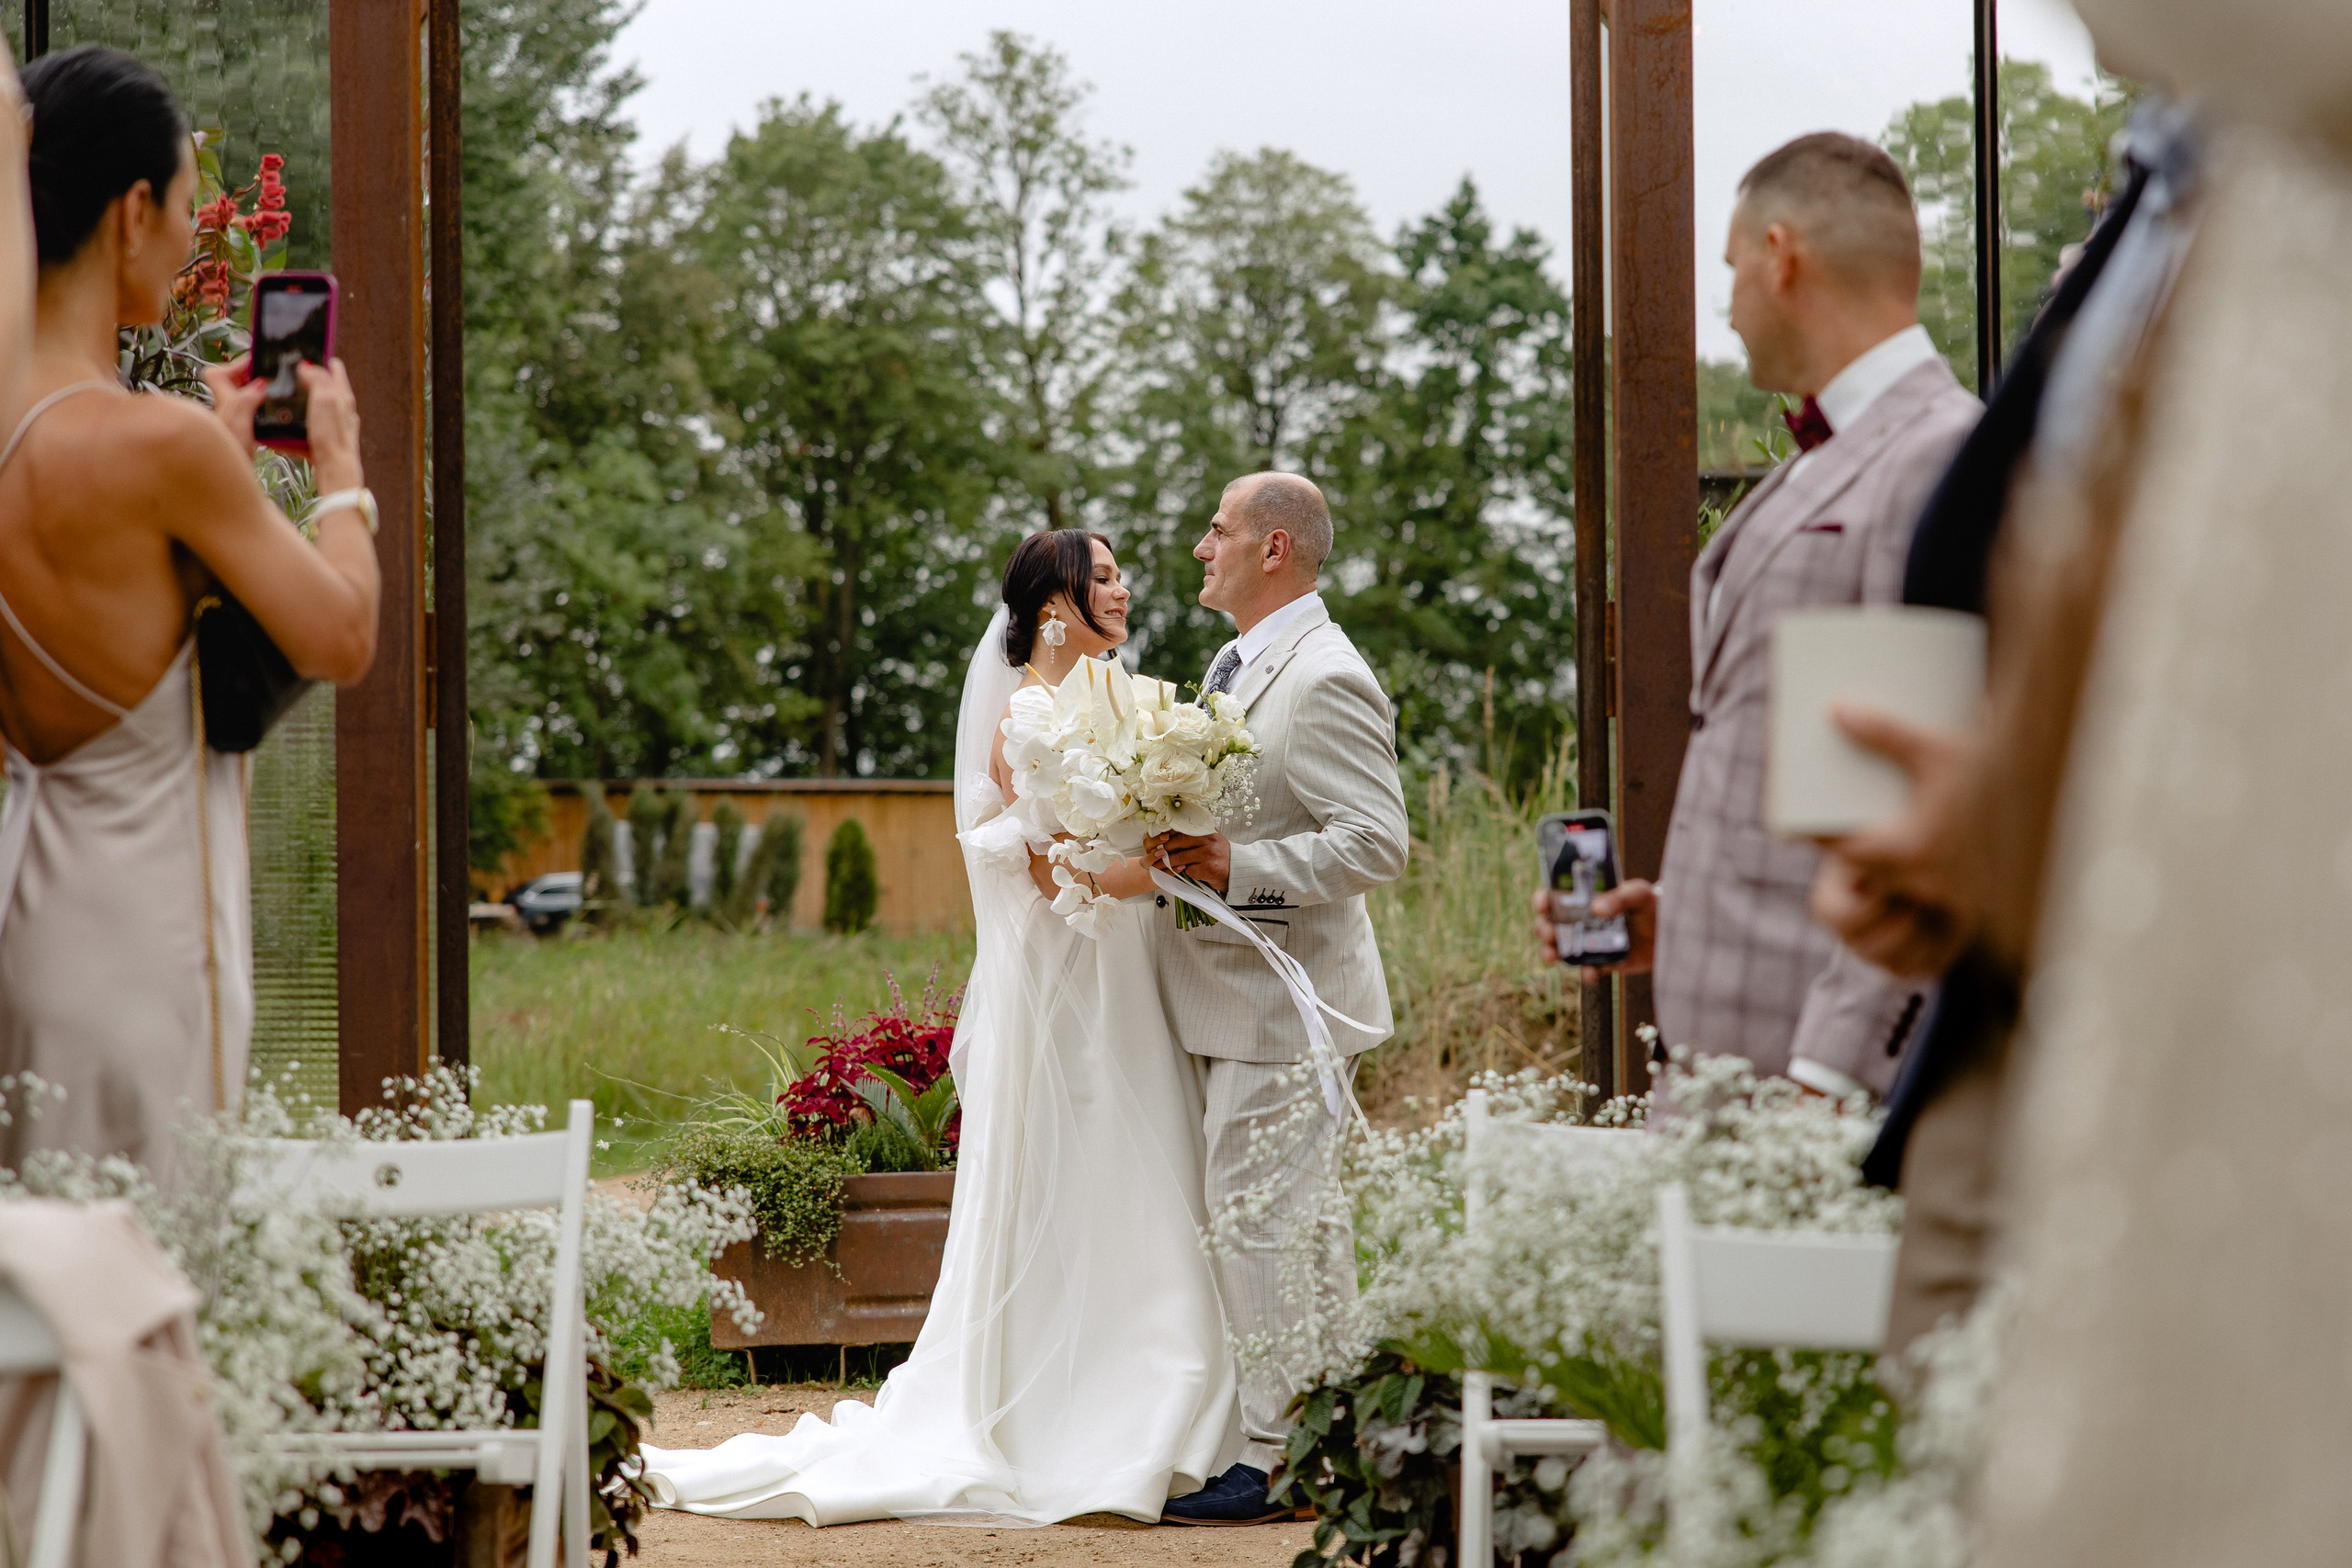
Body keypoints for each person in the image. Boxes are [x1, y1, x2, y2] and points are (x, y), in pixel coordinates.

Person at [639, 529, 1243, 1525]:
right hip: (1064, 993)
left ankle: (1175, 1391)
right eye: (1103, 576)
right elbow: (1053, 873)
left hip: (1131, 979)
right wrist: (1169, 868)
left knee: (1153, 1173)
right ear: (1054, 604)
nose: (1124, 587)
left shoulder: (1124, 699)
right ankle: (1082, 1407)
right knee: (1081, 1172)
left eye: (1119, 572)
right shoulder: (1026, 721)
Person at [1808, 92, 2205, 1352]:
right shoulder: (2164, 200)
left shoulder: (2293, 204)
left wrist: (2036, 818)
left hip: (2186, 1039)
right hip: (1985, 997)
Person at [0, 45, 379, 1182]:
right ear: (131, 212)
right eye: (180, 201)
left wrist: (214, 462)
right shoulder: (152, 445)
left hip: (27, 908)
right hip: (145, 930)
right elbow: (341, 634)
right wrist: (339, 468)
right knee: (160, 1272)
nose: (183, 232)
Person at [1537, 132, 1977, 1098]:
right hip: (1718, 1053)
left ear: (1781, 256)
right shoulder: (1822, 460)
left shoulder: (1943, 459)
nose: (1725, 304)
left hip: (1812, 1079)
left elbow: (1935, 813)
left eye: (1730, 269)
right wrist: (1677, 916)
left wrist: (1832, 1072)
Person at [1153, 471, 1410, 1525]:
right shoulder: (1246, 662)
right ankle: (1338, 1441)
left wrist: (1231, 868)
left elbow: (1376, 844)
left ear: (1273, 549)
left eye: (1217, 531)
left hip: (1284, 1004)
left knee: (1256, 1224)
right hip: (1241, 998)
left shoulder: (1324, 677)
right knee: (1302, 1230)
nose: (1199, 546)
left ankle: (1276, 1459)